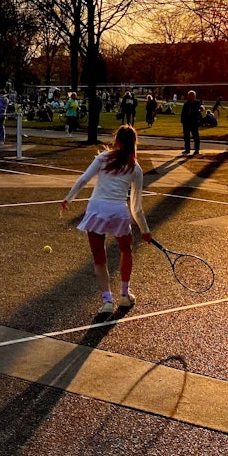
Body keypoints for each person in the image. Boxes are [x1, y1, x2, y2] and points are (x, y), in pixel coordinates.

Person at [62, 125, 153, 315]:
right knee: (125, 250)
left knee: (99, 257)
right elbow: (136, 206)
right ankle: (125, 294)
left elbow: (83, 180)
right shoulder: (135, 168)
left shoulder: (103, 158)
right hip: (118, 212)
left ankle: (107, 300)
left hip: (96, 209)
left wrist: (68, 198)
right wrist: (145, 230)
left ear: (116, 140)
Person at [180, 90, 202, 155]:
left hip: (194, 122)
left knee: (196, 136)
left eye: (192, 96)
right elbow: (183, 112)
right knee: (186, 136)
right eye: (189, 96)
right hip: (186, 122)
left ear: (194, 96)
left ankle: (196, 150)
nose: (190, 97)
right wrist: (182, 121)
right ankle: (187, 149)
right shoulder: (186, 103)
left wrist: (201, 109)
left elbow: (201, 107)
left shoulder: (197, 103)